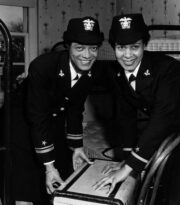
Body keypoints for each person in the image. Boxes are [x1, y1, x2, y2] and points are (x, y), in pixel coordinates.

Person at [93, 13, 180, 205]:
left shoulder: (168, 69)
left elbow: (161, 120)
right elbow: (126, 116)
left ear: (144, 45)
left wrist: (129, 167)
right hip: (169, 130)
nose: (128, 55)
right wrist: (126, 159)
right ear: (113, 47)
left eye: (135, 47)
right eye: (121, 47)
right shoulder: (116, 73)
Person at [26, 16, 104, 204]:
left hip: (53, 119)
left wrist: (77, 147)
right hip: (24, 119)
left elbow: (75, 109)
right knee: (26, 186)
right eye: (80, 48)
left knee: (63, 179)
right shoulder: (42, 66)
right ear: (68, 46)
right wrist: (49, 166)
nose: (87, 55)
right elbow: (37, 117)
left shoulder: (91, 72)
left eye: (93, 48)